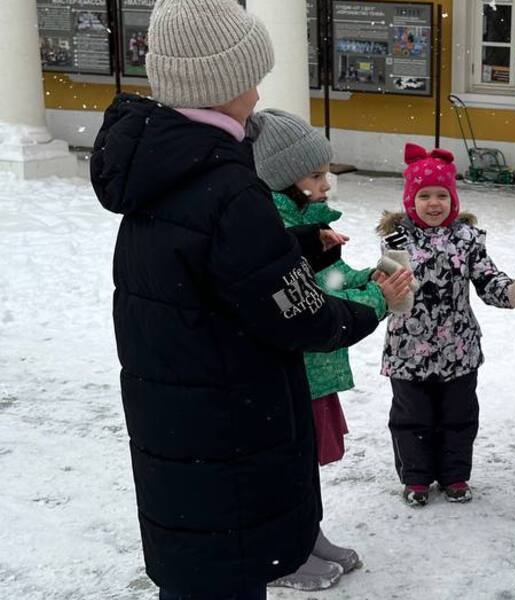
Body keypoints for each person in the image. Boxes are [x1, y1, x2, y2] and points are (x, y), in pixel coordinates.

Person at [90, 1, 379, 597]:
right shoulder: (226, 187)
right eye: (249, 77)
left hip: (179, 425)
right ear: (219, 85)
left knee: (196, 572)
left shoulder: (160, 168)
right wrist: (370, 307)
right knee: (227, 579)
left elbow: (206, 270)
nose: (255, 94)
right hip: (231, 431)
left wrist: (299, 242)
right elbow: (297, 316)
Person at [250, 109, 413, 591]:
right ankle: (282, 555)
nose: (326, 185)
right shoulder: (272, 230)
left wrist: (371, 277)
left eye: (326, 174)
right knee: (283, 464)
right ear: (282, 177)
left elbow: (329, 283)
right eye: (315, 175)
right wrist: (379, 298)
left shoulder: (310, 224)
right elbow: (305, 304)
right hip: (293, 368)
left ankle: (306, 534)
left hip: (314, 370)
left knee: (301, 462)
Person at [379, 144, 515, 507]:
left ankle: (455, 475)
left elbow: (488, 280)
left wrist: (513, 294)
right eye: (424, 195)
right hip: (408, 349)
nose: (434, 203)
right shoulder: (396, 240)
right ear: (411, 199)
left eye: (442, 194)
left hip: (459, 348)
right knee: (413, 418)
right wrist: (378, 297)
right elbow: (389, 288)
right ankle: (417, 478)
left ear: (453, 199)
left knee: (458, 416)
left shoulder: (468, 239)